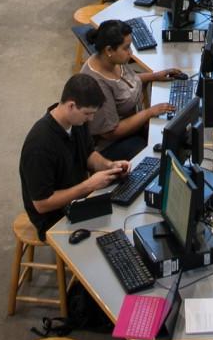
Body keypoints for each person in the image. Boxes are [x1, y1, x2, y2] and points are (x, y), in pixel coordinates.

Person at [20, 74, 131, 241]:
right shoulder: (39, 146)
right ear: (71, 105)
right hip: (53, 218)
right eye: (88, 113)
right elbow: (42, 204)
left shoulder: (77, 122)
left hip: (77, 200)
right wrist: (88, 186)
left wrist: (109, 165)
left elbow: (88, 154)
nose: (91, 119)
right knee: (112, 235)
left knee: (123, 214)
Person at [81, 20, 179, 161]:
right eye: (126, 48)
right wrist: (149, 112)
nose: (131, 52)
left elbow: (126, 82)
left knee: (172, 134)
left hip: (133, 125)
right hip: (109, 146)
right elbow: (110, 133)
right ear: (109, 50)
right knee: (157, 155)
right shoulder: (97, 84)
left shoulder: (112, 61)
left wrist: (154, 76)